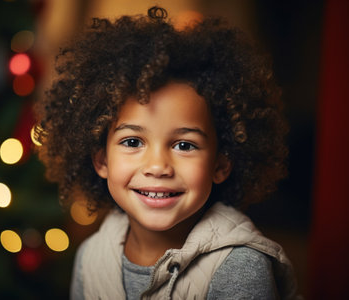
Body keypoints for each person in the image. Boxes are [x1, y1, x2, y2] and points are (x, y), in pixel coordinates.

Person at [35, 6, 299, 300]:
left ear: (221, 163)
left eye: (184, 145)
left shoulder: (239, 268)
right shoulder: (91, 256)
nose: (158, 166)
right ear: (101, 160)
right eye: (133, 142)